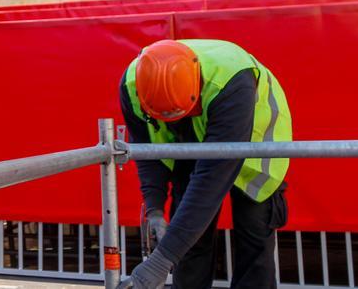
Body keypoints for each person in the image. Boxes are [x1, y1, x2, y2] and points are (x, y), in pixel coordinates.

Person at [118, 39, 292, 289]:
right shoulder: (132, 86)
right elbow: (147, 150)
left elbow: (211, 181)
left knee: (255, 240)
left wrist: (159, 262)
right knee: (190, 243)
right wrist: (154, 209)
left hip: (255, 143)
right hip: (190, 144)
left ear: (195, 92)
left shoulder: (232, 82)